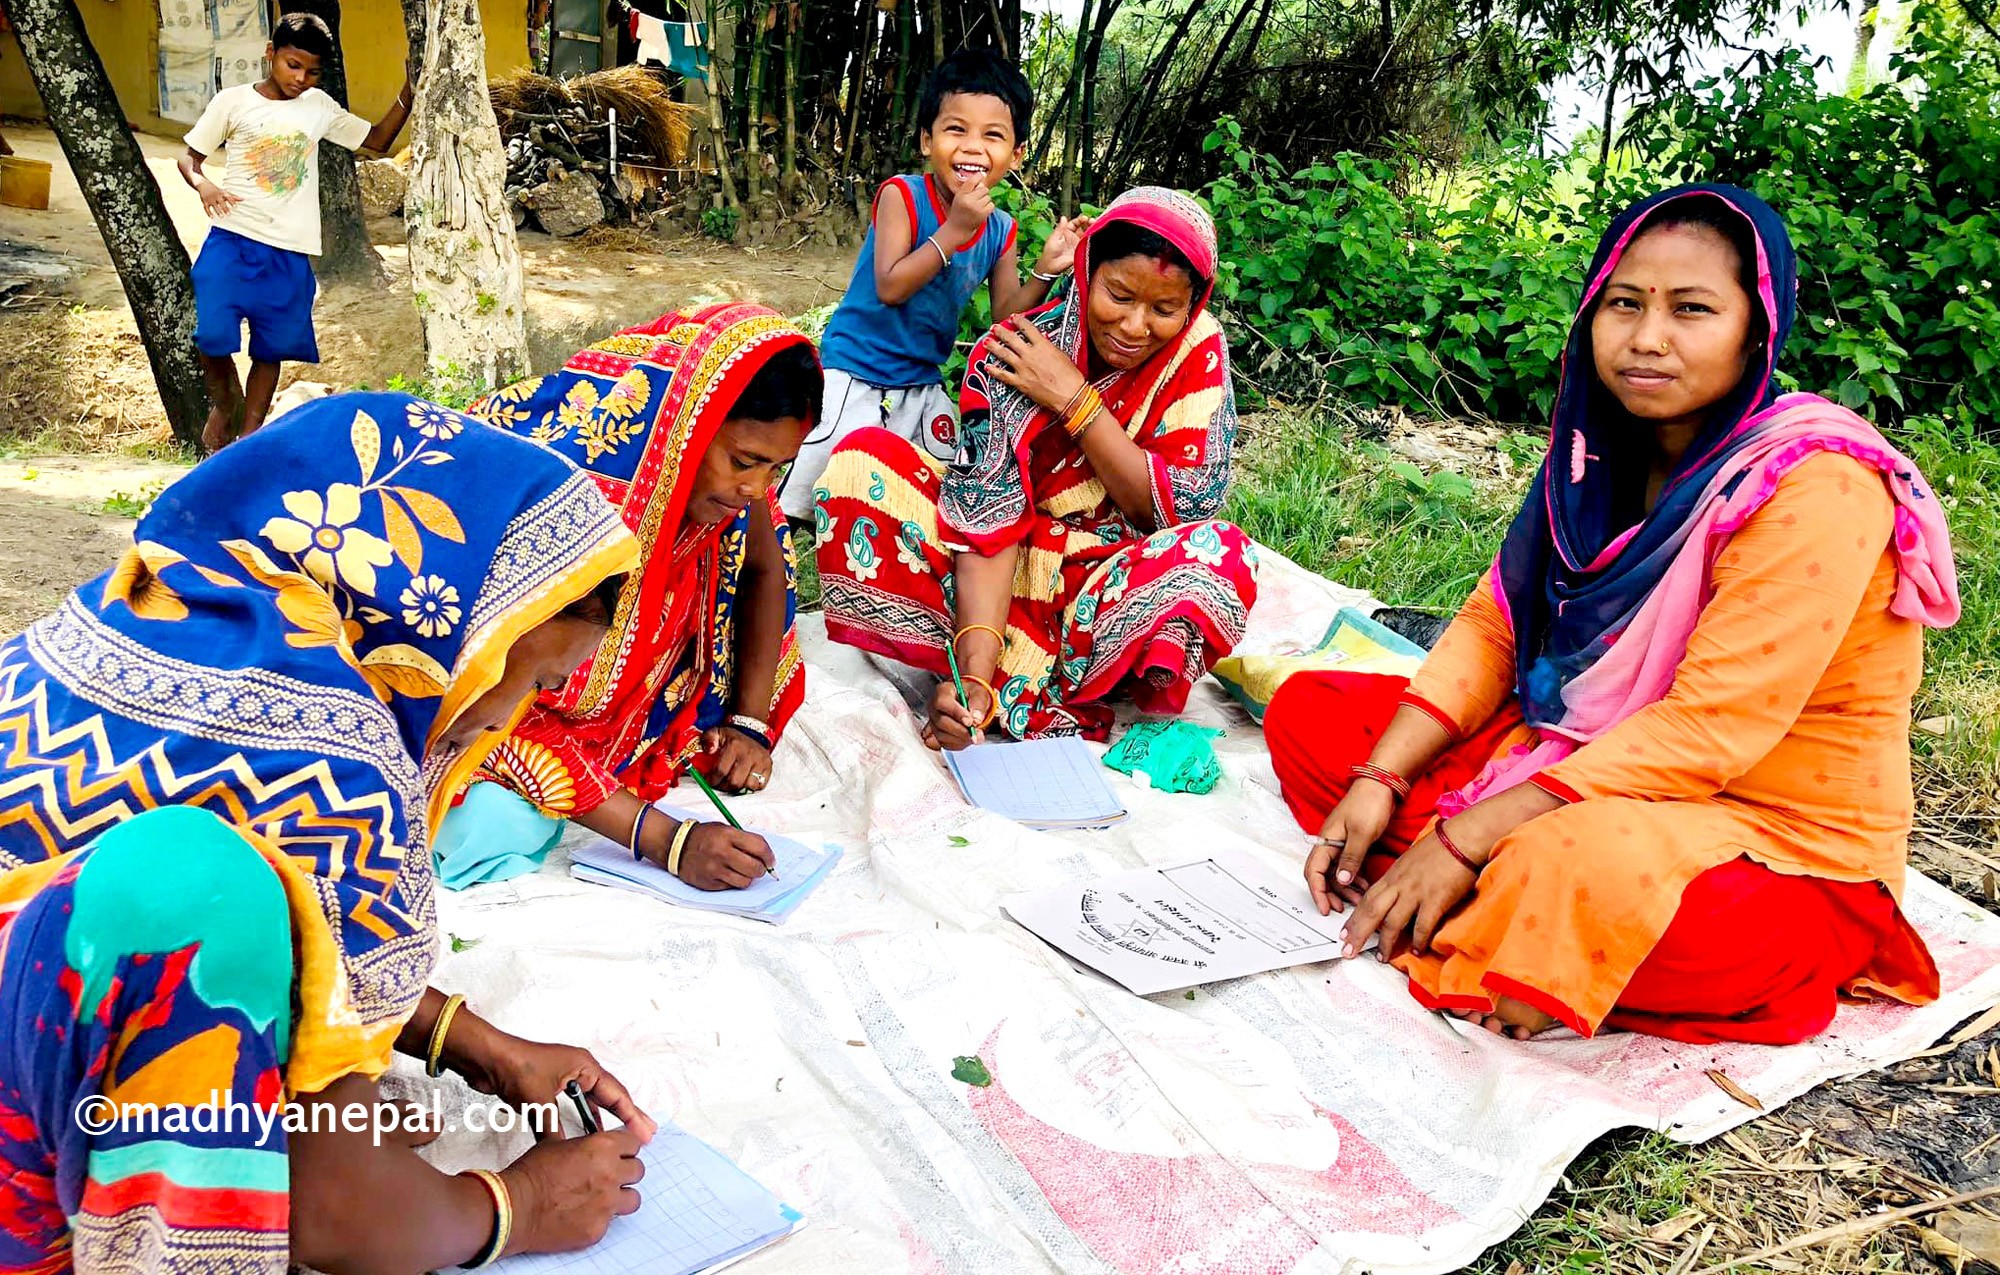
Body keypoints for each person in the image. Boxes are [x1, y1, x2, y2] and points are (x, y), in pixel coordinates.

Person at [1265, 184, 1960, 1044]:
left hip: (1770, 837)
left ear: (1757, 329)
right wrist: (1381, 780)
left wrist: (1459, 841)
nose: (1646, 338)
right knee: (1316, 714)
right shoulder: (1594, 456)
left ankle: (1507, 910)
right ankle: (1506, 907)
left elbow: (1708, 732)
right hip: (1587, 760)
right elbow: (1493, 627)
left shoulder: (1815, 485)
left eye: (1692, 310)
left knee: (1565, 868)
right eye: (1623, 304)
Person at [0, 392, 662, 1271]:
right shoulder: (336, 773)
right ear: (444, 630)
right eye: (527, 675)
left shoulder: (81, 640)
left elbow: (209, 952)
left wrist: (475, 1043)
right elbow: (337, 1210)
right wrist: (522, 1203)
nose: (511, 715)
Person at [815, 187, 1259, 748]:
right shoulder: (1016, 350)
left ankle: (1058, 673)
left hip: (1106, 582)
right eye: (1118, 295)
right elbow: (984, 521)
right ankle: (972, 679)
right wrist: (974, 672)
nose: (1133, 326)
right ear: (1086, 270)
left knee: (1219, 556)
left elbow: (1177, 510)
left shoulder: (1198, 352)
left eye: (1164, 310)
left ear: (1192, 307)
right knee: (861, 466)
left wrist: (1074, 401)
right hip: (996, 571)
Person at [440, 304, 818, 892]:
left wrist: (750, 721)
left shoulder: (720, 478)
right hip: (492, 693)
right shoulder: (575, 514)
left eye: (776, 468)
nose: (755, 489)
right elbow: (488, 712)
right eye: (745, 462)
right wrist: (668, 841)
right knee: (487, 825)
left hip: (613, 688)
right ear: (687, 428)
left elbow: (768, 571)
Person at [779, 48, 1089, 523]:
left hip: (921, 383)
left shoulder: (1000, 228)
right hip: (856, 372)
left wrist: (1047, 268)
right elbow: (890, 286)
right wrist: (954, 232)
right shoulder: (902, 195)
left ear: (1016, 154)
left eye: (993, 135)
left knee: (921, 495)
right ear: (927, 139)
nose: (971, 147)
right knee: (817, 489)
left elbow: (1006, 317)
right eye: (955, 129)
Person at [177, 12, 415, 455]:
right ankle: (226, 401)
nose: (301, 78)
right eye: (292, 65)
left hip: (290, 249)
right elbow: (189, 159)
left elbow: (378, 140)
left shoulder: (319, 107)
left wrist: (409, 89)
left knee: (271, 348)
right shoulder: (232, 102)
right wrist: (204, 184)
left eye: (312, 71)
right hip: (232, 238)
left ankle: (248, 442)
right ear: (270, 54)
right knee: (210, 333)